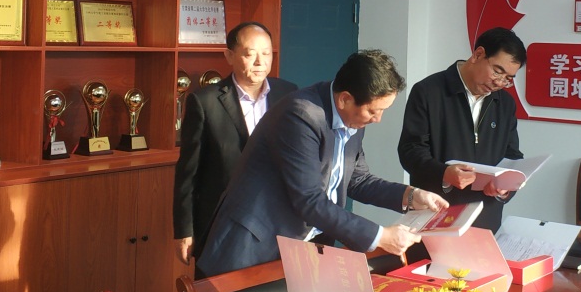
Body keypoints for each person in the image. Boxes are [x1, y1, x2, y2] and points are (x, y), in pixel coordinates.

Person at [196, 49, 449, 274]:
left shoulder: (352, 119)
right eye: (374, 111)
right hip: (252, 248)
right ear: (345, 99)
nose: (378, 119)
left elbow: (359, 180)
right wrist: (381, 236)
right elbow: (309, 199)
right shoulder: (302, 115)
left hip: (297, 249)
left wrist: (411, 196)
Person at [172, 21, 297, 268]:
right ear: (229, 55)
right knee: (217, 288)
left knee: (271, 288)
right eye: (250, 54)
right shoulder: (205, 102)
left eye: (266, 53)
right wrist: (184, 230)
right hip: (222, 223)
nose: (260, 62)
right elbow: (188, 173)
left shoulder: (288, 94)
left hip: (276, 221)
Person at [397, 27, 526, 233]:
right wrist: (444, 173)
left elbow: (512, 155)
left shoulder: (505, 104)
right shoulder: (429, 92)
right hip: (435, 215)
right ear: (478, 54)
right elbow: (410, 151)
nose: (499, 82)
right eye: (497, 71)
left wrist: (505, 187)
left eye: (508, 78)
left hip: (485, 221)